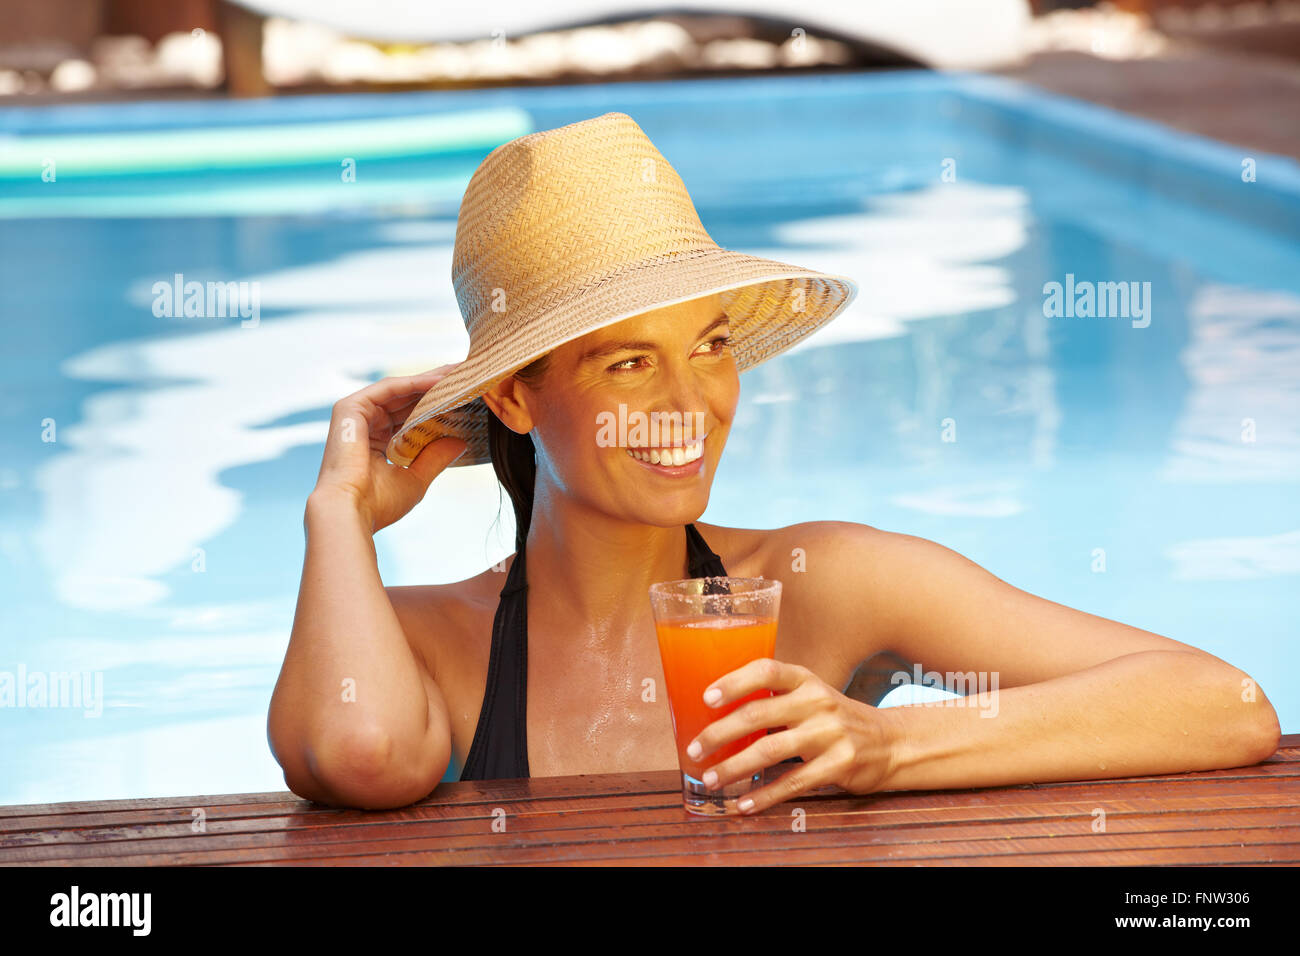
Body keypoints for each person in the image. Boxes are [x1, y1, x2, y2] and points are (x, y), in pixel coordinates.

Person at [268, 112, 1280, 812]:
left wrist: (885, 747)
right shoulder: (424, 640)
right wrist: (338, 513)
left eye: (708, 345)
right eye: (628, 361)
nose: (690, 403)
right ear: (515, 396)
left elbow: (1222, 703)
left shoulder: (821, 583)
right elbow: (358, 756)